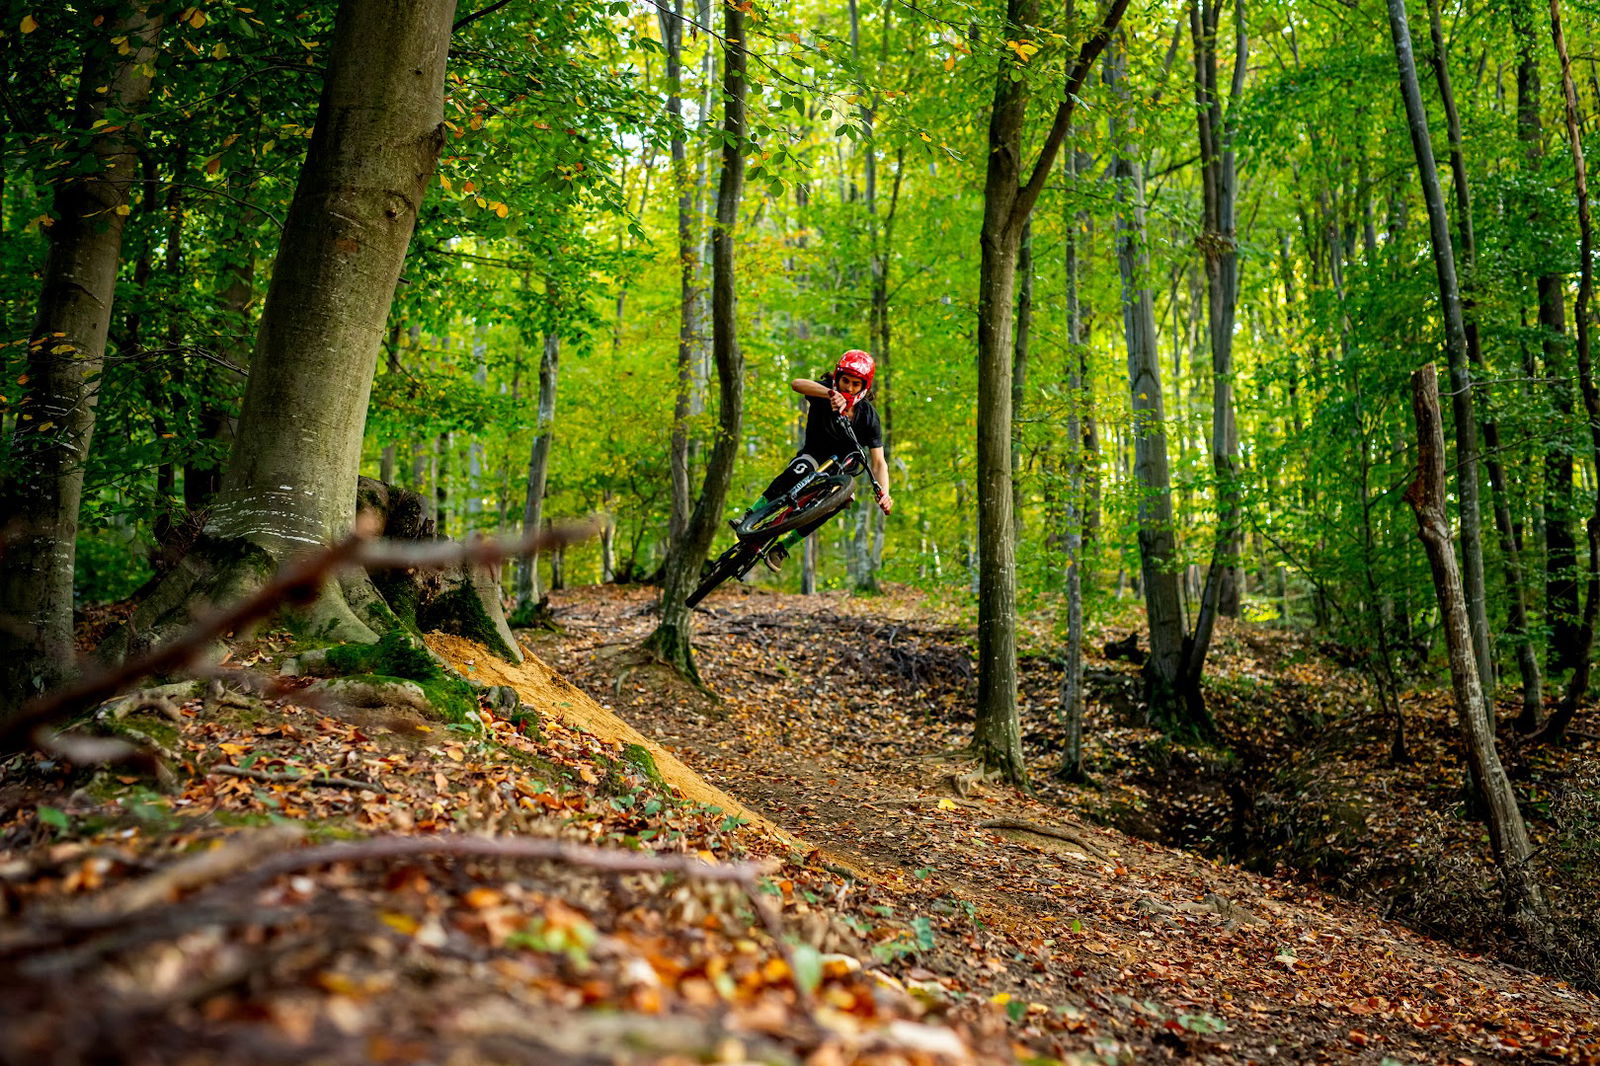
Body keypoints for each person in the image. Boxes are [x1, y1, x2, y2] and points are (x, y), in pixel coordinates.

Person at [736, 349, 894, 573]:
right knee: (801, 469)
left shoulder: (869, 416)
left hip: (843, 468)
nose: (848, 387)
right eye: (845, 381)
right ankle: (752, 514)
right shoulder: (825, 392)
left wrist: (885, 493)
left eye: (855, 384)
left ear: (864, 386)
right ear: (837, 377)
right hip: (814, 454)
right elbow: (796, 383)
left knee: (842, 500)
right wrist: (829, 393)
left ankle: (783, 547)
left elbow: (879, 462)